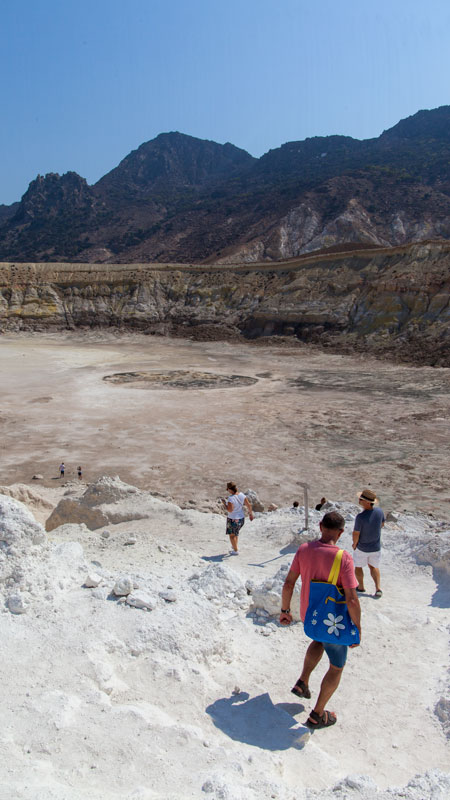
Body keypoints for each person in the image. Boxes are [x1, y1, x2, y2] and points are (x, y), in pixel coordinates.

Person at [279, 511, 361, 729]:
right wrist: (357, 628)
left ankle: (302, 682)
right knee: (336, 667)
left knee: (318, 641)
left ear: (320, 525)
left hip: (310, 618)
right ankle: (317, 714)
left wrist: (285, 610)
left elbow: (288, 583)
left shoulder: (304, 549)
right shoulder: (343, 557)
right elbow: (352, 599)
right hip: (331, 621)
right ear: (341, 532)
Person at [352, 488, 385, 597]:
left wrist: (354, 544)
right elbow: (382, 524)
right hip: (375, 547)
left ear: (367, 502)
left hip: (362, 547)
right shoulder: (379, 512)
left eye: (361, 499)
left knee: (358, 566)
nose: (359, 500)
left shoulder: (360, 517)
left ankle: (361, 587)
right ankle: (378, 588)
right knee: (374, 567)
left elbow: (356, 533)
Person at [222, 482, 254, 555]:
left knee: (232, 536)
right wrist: (251, 514)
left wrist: (224, 504)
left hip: (232, 519)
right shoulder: (242, 495)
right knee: (236, 533)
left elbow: (230, 510)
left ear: (230, 489)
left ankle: (236, 551)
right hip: (241, 518)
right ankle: (234, 547)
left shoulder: (231, 498)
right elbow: (249, 505)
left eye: (227, 489)